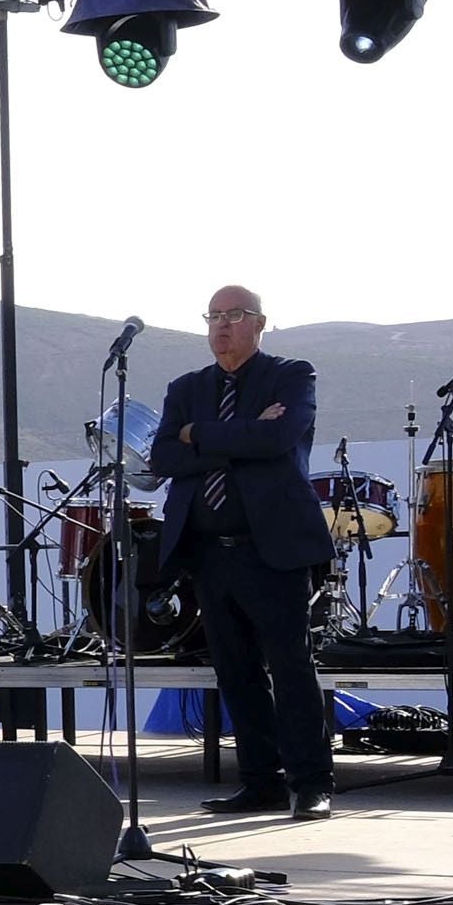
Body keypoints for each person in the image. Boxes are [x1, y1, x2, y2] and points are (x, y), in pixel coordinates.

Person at [151, 284, 333, 820]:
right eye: (214, 317)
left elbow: (277, 441)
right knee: (235, 671)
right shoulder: (186, 388)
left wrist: (198, 437)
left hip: (272, 548)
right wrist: (236, 438)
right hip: (209, 551)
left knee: (291, 667)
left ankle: (311, 783)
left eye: (234, 315)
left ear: (259, 323)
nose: (222, 326)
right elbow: (163, 457)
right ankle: (260, 781)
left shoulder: (291, 375)